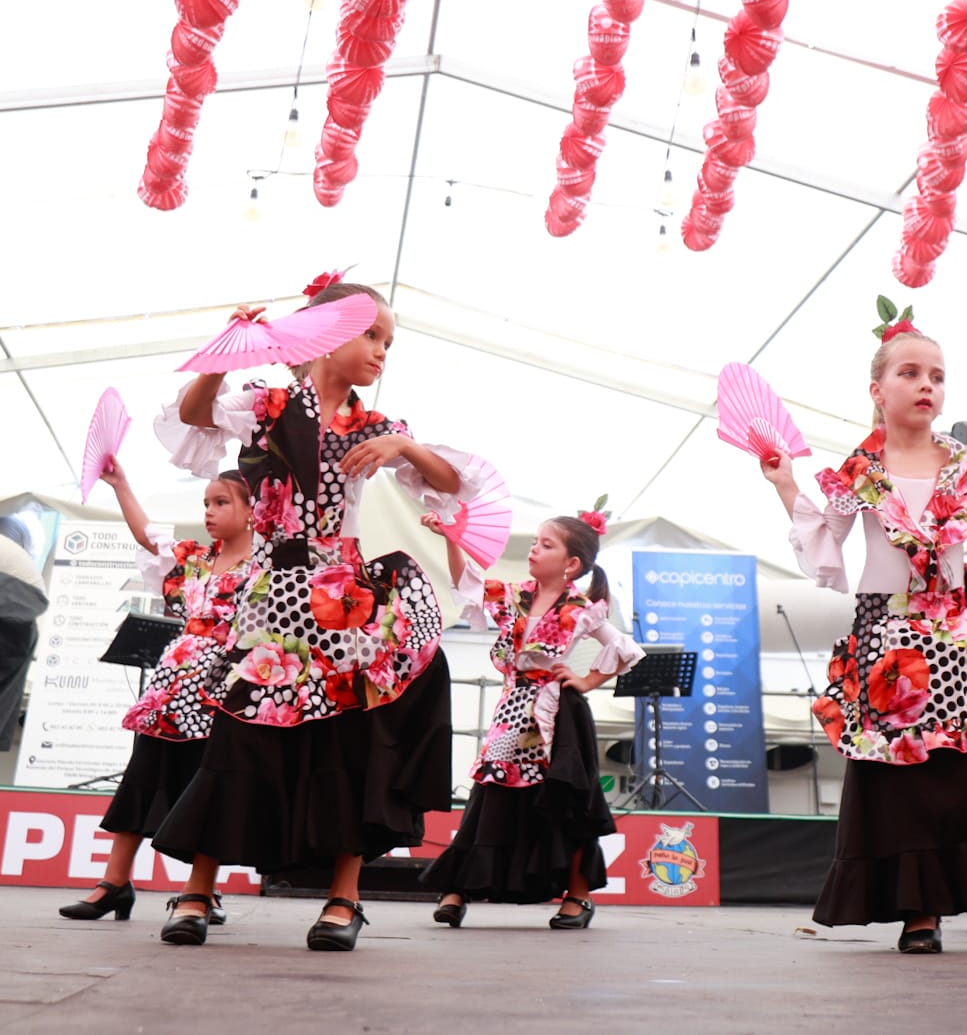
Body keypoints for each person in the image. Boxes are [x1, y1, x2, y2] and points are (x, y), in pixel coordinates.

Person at [147, 277, 469, 950]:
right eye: (369, 334)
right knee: (240, 730)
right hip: (269, 591)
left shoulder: (376, 425)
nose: (381, 351)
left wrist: (403, 448)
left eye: (387, 339)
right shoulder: (264, 403)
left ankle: (343, 898)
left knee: (346, 740)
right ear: (326, 334)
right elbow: (197, 415)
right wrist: (219, 356)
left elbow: (448, 484)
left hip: (341, 598)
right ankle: (199, 889)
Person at [762, 301, 967, 956]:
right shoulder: (859, 470)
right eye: (910, 372)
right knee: (901, 776)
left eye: (936, 374)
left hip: (956, 631)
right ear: (878, 389)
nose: (927, 384)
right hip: (888, 634)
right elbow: (826, 541)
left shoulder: (963, 465)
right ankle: (918, 910)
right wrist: (785, 483)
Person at [420, 506, 642, 928]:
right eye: (536, 542)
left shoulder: (582, 607)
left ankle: (577, 895)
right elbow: (466, 584)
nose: (535, 550)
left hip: (559, 714)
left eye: (546, 544)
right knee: (490, 794)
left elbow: (624, 649)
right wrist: (451, 537)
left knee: (568, 802)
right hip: (513, 708)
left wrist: (588, 680)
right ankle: (457, 888)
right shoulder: (513, 594)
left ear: (571, 564)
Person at [57, 461, 256, 931]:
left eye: (221, 502)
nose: (208, 511)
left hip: (222, 695)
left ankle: (201, 891)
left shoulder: (266, 568)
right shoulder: (195, 560)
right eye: (206, 503)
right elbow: (149, 536)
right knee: (141, 779)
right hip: (171, 693)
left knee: (206, 789)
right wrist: (122, 484)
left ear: (253, 511)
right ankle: (113, 884)